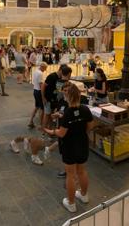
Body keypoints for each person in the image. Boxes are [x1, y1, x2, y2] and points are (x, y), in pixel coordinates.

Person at [44, 83, 95, 212]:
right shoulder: (85, 109)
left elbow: (62, 133)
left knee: (70, 175)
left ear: (69, 96)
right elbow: (90, 126)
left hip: (69, 146)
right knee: (82, 171)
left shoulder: (68, 113)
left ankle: (71, 203)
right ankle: (84, 196)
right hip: (82, 143)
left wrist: (52, 132)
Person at [29, 62, 47, 129]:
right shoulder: (40, 73)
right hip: (39, 91)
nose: (45, 70)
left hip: (35, 90)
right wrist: (43, 96)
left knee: (36, 107)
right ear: (42, 67)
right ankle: (41, 124)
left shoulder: (35, 71)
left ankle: (31, 121)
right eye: (45, 68)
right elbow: (41, 85)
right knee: (42, 109)